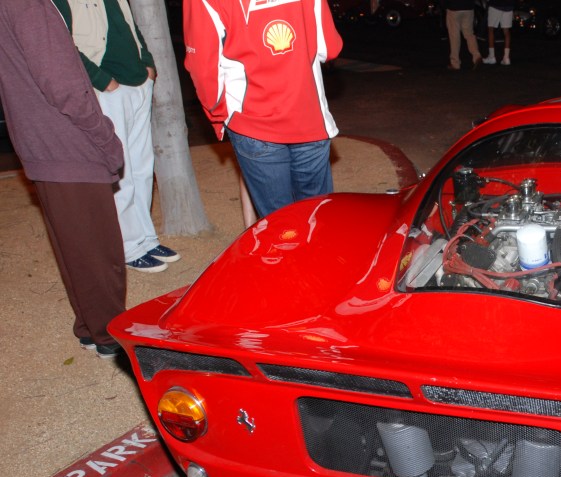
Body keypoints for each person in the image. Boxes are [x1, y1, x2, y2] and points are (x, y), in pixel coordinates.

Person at [0, 0, 127, 358]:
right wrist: (104, 135)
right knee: (99, 248)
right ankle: (108, 335)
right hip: (67, 142)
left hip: (41, 141)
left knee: (75, 246)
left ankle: (89, 326)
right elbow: (62, 82)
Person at [184, 0, 344, 219]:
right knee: (317, 217)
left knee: (279, 224)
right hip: (309, 117)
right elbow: (330, 48)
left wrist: (220, 114)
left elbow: (203, 68)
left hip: (252, 122)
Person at [53, 0, 179, 274]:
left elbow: (131, 27)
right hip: (109, 91)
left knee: (143, 169)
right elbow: (60, 44)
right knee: (121, 172)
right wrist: (100, 79)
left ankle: (146, 239)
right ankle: (129, 246)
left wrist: (147, 63)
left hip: (137, 84)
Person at [445, 0, 483, 71]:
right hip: (468, 7)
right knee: (469, 34)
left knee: (454, 36)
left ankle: (455, 63)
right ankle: (476, 55)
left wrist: (445, 5)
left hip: (454, 7)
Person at [482, 0, 513, 66]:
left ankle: (492, 56)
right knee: (506, 31)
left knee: (491, 29)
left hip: (495, 5)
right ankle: (506, 57)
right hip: (508, 6)